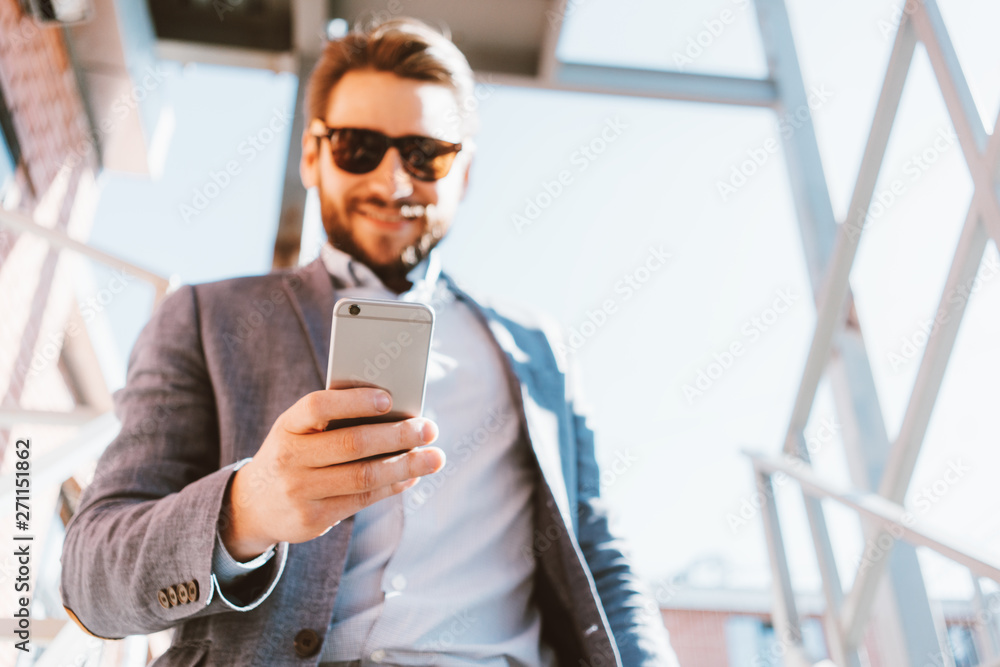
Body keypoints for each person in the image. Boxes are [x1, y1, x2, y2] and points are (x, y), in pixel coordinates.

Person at [60, 17, 680, 667]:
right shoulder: (205, 316)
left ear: (463, 173)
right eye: (359, 146)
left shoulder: (538, 347)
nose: (393, 183)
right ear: (311, 155)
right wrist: (247, 509)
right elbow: (89, 578)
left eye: (425, 154)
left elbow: (600, 556)